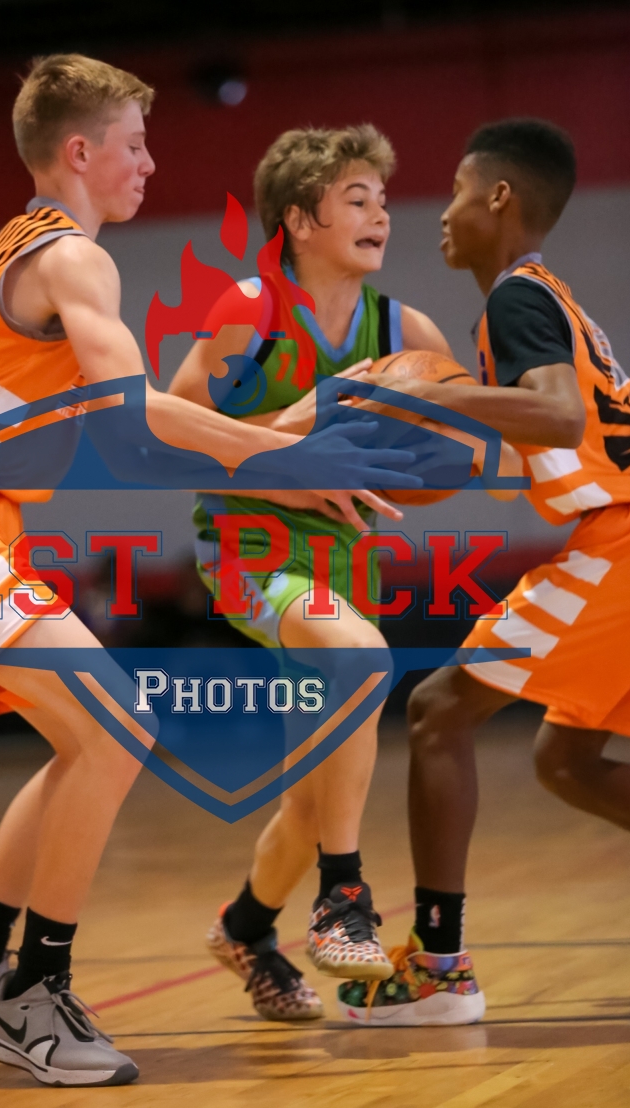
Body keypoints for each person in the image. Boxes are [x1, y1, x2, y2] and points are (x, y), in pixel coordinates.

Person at [0, 55, 410, 1085]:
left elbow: (129, 428)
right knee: (116, 729)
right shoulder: (74, 257)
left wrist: (272, 457)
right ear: (79, 152)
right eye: (135, 144)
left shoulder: (27, 245)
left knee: (90, 737)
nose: (150, 163)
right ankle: (33, 994)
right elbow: (134, 415)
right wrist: (285, 455)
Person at [338, 117, 630, 1027]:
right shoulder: (547, 299)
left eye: (460, 189)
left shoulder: (517, 299)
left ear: (500, 196)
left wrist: (426, 394)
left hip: (620, 544)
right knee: (566, 760)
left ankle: (438, 968)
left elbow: (555, 418)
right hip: (615, 537)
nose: (442, 211)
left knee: (437, 710)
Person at [169, 123, 455, 1021]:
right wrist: (294, 434)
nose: (381, 215)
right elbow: (168, 439)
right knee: (364, 659)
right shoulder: (249, 310)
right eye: (356, 199)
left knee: (309, 801)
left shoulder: (407, 333)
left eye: (383, 200)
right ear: (298, 219)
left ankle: (245, 929)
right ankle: (343, 899)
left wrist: (419, 465)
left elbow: (453, 464)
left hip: (341, 564)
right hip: (250, 552)